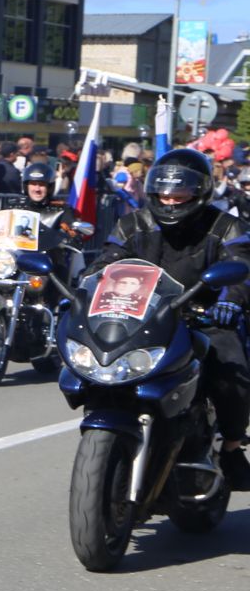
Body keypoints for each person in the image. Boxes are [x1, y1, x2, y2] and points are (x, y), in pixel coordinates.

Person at [87, 148, 250, 490]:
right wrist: (84, 291)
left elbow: (242, 269)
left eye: (181, 193)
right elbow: (107, 263)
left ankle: (232, 447)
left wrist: (230, 302)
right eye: (165, 192)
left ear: (200, 191)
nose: (171, 199)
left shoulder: (226, 226)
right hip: (145, 317)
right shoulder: (133, 224)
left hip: (204, 318)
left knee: (230, 369)